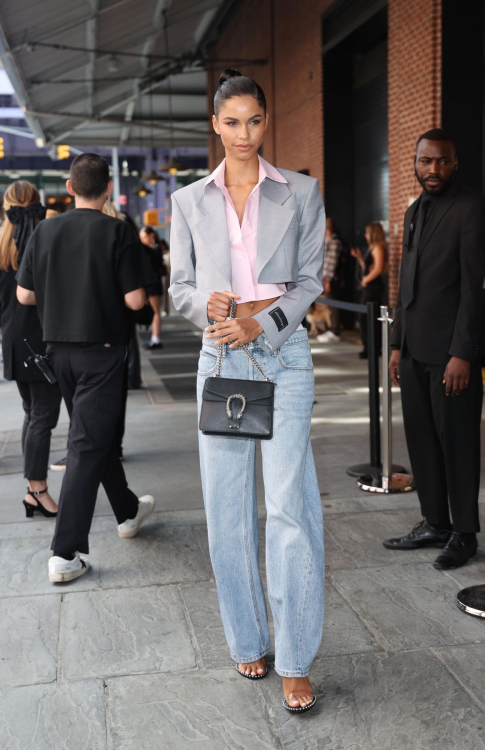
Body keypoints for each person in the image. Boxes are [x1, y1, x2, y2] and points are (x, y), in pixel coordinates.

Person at [169, 68, 325, 713]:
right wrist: (207, 306)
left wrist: (263, 319)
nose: (243, 133)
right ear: (215, 124)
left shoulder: (301, 193)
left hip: (284, 360)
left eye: (254, 120)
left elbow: (311, 280)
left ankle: (294, 658)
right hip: (220, 364)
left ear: (267, 121)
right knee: (227, 513)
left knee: (290, 510)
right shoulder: (187, 202)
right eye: (231, 122)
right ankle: (248, 637)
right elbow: (177, 288)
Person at [16, 153, 157, 583]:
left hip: (58, 352)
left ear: (70, 187)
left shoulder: (45, 231)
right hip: (103, 350)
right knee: (85, 445)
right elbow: (136, 302)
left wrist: (62, 297)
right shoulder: (119, 231)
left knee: (89, 437)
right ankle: (64, 554)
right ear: (109, 189)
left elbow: (24, 296)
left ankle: (128, 511)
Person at [385, 128, 485, 569]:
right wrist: (396, 343)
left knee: (458, 443)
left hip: (451, 355)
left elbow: (476, 289)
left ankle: (464, 533)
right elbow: (405, 280)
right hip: (413, 350)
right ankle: (434, 521)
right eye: (426, 161)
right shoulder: (415, 211)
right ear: (414, 162)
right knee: (422, 442)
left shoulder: (473, 210)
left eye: (443, 161)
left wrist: (463, 354)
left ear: (455, 163)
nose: (434, 169)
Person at [0, 181, 62, 517]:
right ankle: (37, 489)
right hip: (42, 340)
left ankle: (31, 489)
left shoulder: (0, 244)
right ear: (37, 204)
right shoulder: (44, 239)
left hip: (12, 340)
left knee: (31, 413)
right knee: (43, 416)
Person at [351, 222, 387, 358]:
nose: (365, 236)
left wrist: (366, 280)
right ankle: (368, 347)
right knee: (365, 317)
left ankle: (373, 348)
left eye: (367, 233)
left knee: (368, 317)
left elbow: (378, 269)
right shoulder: (372, 248)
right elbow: (368, 268)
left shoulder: (378, 248)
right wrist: (360, 257)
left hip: (374, 287)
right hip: (370, 286)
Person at [316, 218, 342, 343]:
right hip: (324, 278)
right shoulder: (326, 241)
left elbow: (332, 262)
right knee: (329, 306)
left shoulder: (335, 242)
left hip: (331, 280)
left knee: (334, 306)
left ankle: (335, 331)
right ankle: (331, 329)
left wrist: (328, 281)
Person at [139, 225, 165, 350]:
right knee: (154, 312)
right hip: (151, 284)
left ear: (151, 235)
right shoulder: (150, 248)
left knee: (155, 312)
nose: (143, 240)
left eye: (144, 237)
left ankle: (156, 339)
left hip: (154, 284)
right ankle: (154, 338)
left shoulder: (155, 248)